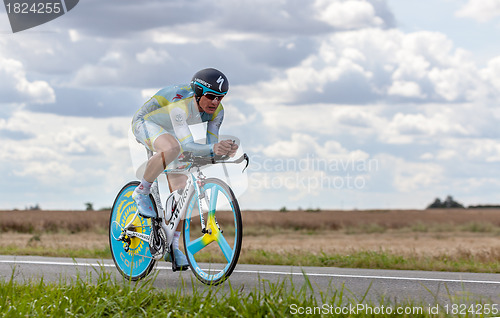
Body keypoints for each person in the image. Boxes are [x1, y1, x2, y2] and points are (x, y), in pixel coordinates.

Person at [131, 68, 238, 269]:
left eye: (221, 98)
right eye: (211, 97)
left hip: (172, 130)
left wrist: (223, 151)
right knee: (171, 147)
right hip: (146, 122)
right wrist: (211, 149)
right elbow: (187, 145)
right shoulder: (180, 104)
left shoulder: (218, 112)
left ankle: (173, 246)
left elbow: (210, 146)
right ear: (197, 94)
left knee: (182, 194)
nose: (215, 102)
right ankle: (142, 191)